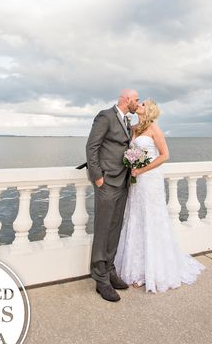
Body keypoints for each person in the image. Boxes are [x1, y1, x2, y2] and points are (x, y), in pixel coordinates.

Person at [115, 100, 205, 293]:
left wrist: (141, 170)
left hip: (149, 180)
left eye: (143, 103)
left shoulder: (155, 129)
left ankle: (153, 271)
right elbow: (130, 150)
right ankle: (137, 269)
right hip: (136, 181)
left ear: (149, 110)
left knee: (151, 219)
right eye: (139, 102)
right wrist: (131, 165)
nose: (139, 104)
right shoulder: (134, 128)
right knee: (136, 218)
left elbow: (164, 155)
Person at [85, 88, 140, 302]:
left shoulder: (126, 121)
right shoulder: (105, 116)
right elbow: (92, 147)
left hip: (123, 181)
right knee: (103, 228)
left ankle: (110, 269)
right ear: (127, 99)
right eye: (136, 100)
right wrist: (98, 177)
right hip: (107, 182)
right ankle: (101, 279)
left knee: (115, 227)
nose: (138, 103)